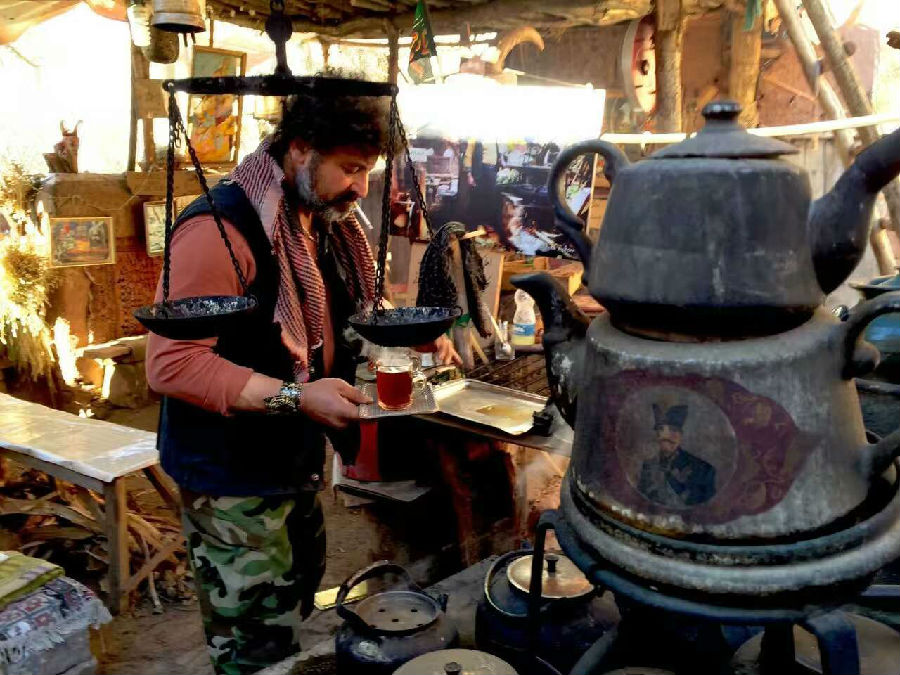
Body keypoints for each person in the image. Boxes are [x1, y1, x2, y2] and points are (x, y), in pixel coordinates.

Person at [146, 73, 459, 675]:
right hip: (232, 477)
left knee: (293, 601)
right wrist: (297, 397)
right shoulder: (222, 230)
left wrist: (410, 336)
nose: (360, 187)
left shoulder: (324, 224)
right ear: (299, 149)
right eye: (350, 168)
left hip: (293, 462)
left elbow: (344, 318)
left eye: (368, 171)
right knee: (254, 645)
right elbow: (171, 365)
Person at [637, 403, 716, 508]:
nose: (667, 435)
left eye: (673, 430)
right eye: (661, 429)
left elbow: (705, 507)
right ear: (657, 435)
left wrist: (672, 479)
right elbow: (640, 502)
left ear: (681, 435)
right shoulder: (648, 466)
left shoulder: (703, 470)